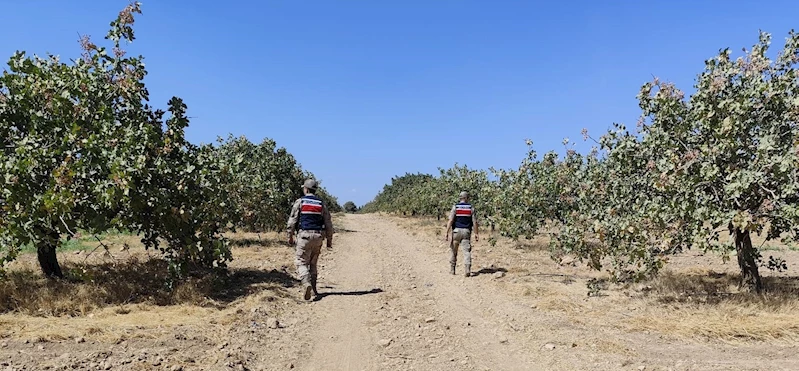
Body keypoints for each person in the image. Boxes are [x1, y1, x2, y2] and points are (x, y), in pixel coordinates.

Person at [286, 179, 334, 300]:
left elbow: (292, 220)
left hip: (304, 236)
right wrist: (329, 240)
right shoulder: (321, 203)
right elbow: (328, 222)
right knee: (313, 263)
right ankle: (314, 289)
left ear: (305, 189)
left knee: (301, 261)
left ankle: (306, 282)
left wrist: (290, 235)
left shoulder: (300, 201)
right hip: (318, 237)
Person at [444, 191, 479, 277]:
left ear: (460, 198)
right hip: (466, 232)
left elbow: (451, 220)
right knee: (466, 251)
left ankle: (452, 269)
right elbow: (474, 222)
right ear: (467, 198)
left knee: (453, 250)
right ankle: (467, 269)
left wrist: (447, 232)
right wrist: (476, 233)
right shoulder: (471, 208)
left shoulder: (455, 207)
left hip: (456, 231)